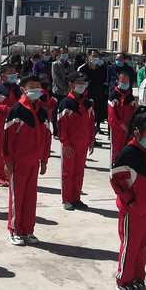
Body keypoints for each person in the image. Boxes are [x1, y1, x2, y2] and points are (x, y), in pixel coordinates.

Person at [110, 110, 146, 290]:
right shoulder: (128, 153)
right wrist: (130, 201)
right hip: (133, 211)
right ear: (137, 132)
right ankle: (123, 281)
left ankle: (138, 279)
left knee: (142, 247)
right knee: (130, 246)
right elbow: (116, 179)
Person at [2, 71, 52, 245]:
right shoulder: (16, 110)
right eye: (32, 87)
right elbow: (6, 139)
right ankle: (14, 230)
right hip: (18, 162)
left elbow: (47, 137)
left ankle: (27, 230)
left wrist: (44, 160)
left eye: (38, 87)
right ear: (23, 89)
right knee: (17, 196)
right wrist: (7, 162)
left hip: (34, 161)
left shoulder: (42, 111)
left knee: (31, 197)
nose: (36, 90)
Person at [57, 71, 96, 211]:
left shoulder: (88, 103)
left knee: (79, 172)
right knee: (68, 172)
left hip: (83, 143)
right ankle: (67, 199)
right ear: (71, 85)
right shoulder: (65, 103)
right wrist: (65, 143)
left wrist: (92, 139)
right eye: (78, 83)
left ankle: (76, 198)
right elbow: (61, 126)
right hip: (70, 144)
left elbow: (92, 123)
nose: (81, 85)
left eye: (83, 83)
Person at [107, 66, 137, 163]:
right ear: (118, 81)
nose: (125, 82)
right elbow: (112, 114)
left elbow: (134, 112)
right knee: (116, 149)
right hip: (117, 128)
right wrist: (121, 124)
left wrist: (131, 126)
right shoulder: (113, 95)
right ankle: (114, 168)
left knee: (126, 150)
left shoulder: (130, 96)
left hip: (128, 128)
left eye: (126, 80)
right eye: (122, 80)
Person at [80, 52, 110, 140]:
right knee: (87, 117)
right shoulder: (83, 68)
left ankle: (93, 136)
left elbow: (105, 80)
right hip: (87, 96)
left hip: (99, 96)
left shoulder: (102, 67)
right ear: (89, 57)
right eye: (93, 56)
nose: (95, 58)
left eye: (97, 56)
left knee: (96, 117)